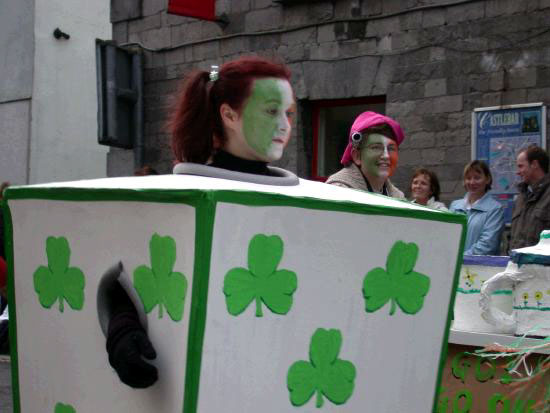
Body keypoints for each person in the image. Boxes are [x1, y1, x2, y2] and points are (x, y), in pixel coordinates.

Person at [106, 56, 296, 389]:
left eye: (289, 113)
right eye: (270, 111)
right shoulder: (172, 200)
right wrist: (122, 329)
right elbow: (124, 274)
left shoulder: (302, 205)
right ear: (229, 114)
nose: (284, 125)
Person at [326, 111, 405, 199]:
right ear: (357, 156)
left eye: (391, 148)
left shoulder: (398, 197)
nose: (386, 156)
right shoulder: (338, 191)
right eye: (376, 147)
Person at [450, 160, 504, 255]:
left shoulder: (495, 209)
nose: (472, 182)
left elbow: (487, 245)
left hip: (479, 266)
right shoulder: (455, 206)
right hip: (453, 264)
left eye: (477, 178)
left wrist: (460, 258)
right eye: (468, 178)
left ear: (487, 179)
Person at [510, 145, 550, 250]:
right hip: (516, 264)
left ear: (534, 164)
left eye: (521, 166)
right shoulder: (521, 197)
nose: (517, 172)